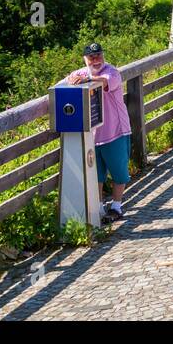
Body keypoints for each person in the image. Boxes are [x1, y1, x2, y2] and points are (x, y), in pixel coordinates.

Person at [61, 42, 131, 221]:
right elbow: (68, 79)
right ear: (85, 59)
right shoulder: (82, 73)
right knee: (96, 173)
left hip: (116, 130)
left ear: (103, 56)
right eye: (91, 57)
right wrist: (72, 80)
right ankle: (98, 208)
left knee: (118, 171)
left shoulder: (111, 72)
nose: (95, 60)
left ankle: (116, 206)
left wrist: (88, 80)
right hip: (94, 134)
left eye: (98, 55)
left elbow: (106, 82)